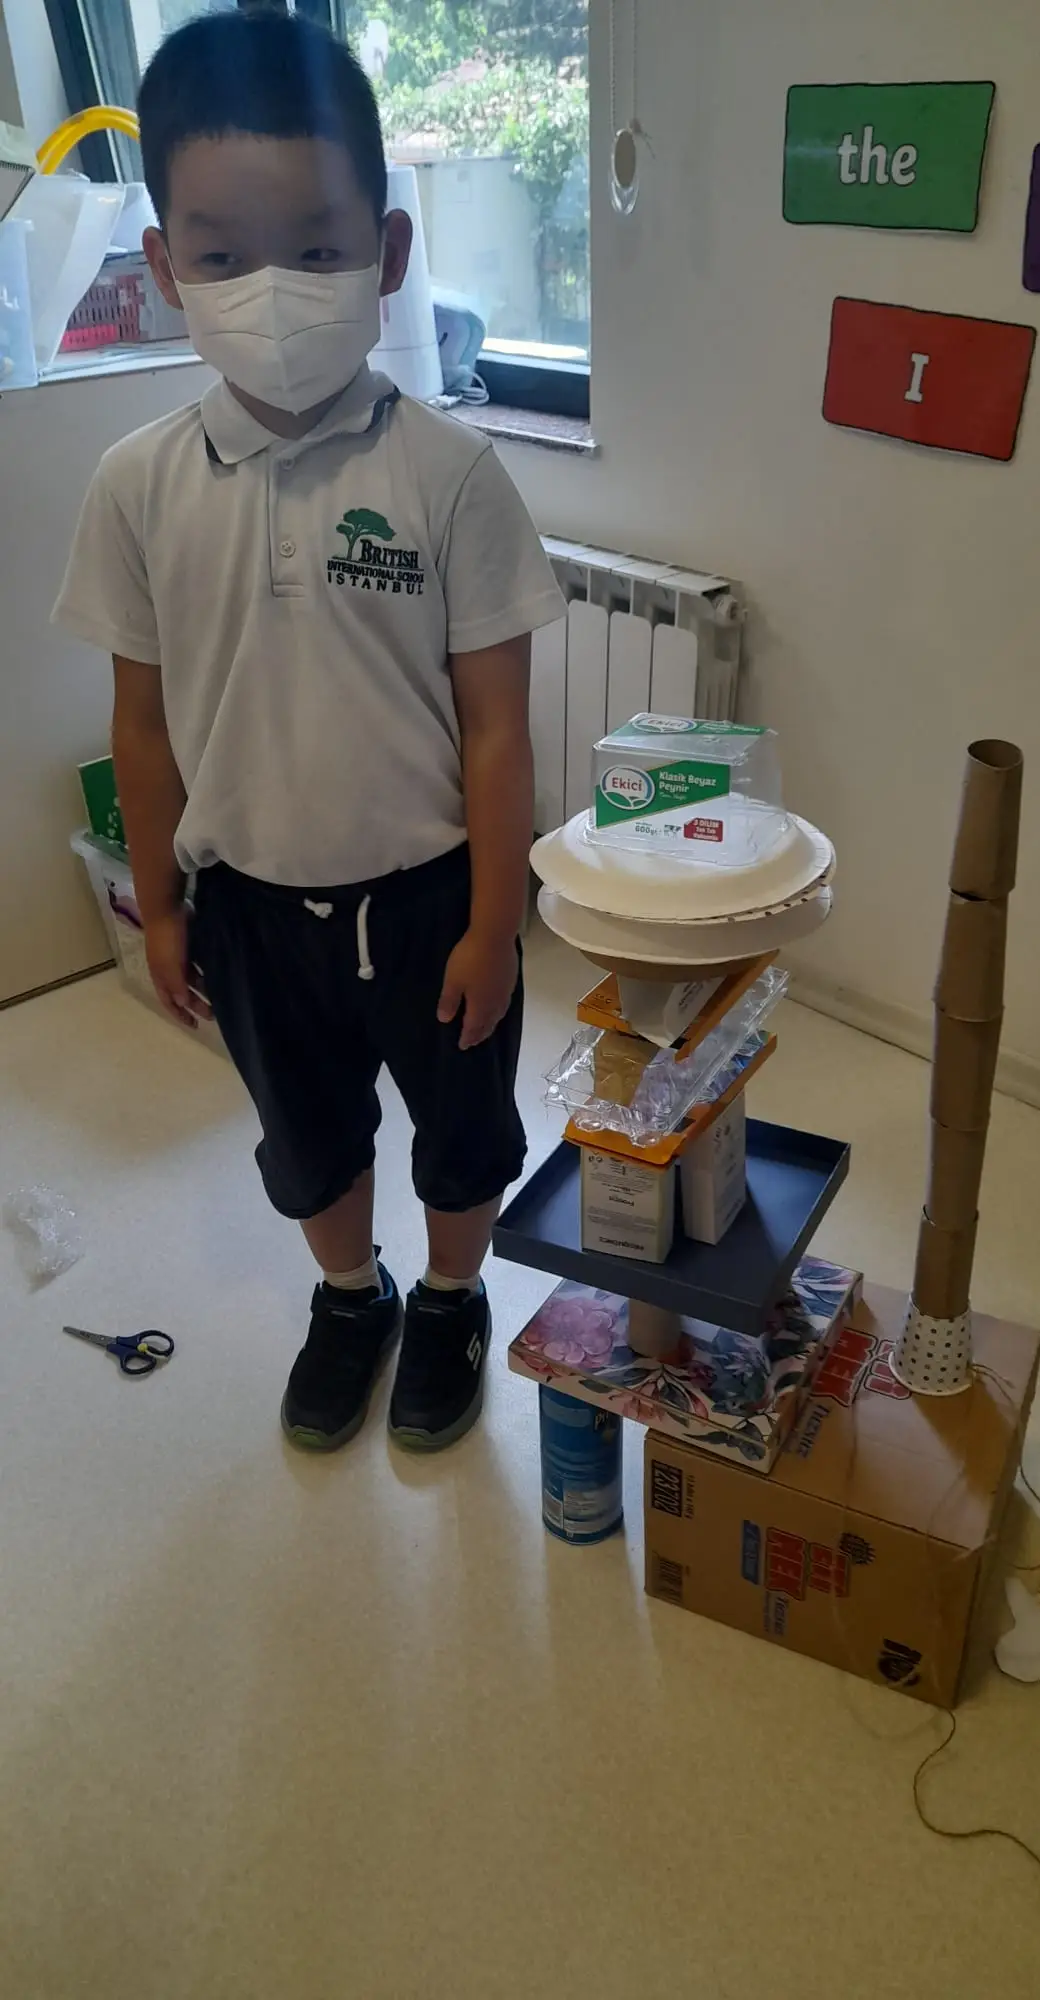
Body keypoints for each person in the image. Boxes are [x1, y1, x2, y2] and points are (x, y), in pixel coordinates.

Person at [53, 9, 565, 1455]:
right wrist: (161, 907)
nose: (270, 289)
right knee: (308, 1138)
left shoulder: (453, 477)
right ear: (166, 269)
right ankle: (353, 1296)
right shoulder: (136, 486)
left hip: (431, 901)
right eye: (222, 255)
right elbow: (141, 725)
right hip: (252, 910)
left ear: (388, 253)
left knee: (463, 1129)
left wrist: (495, 924)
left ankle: (451, 1297)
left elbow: (499, 733)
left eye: (318, 247)